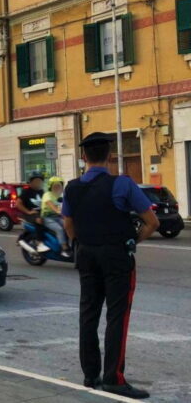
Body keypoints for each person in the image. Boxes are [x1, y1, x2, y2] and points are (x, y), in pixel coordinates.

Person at [62, 132, 159, 399]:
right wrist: (131, 240)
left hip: (86, 255)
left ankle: (90, 375)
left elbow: (68, 225)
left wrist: (81, 244)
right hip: (116, 256)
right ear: (110, 157)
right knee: (117, 316)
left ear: (83, 158)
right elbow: (152, 222)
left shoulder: (71, 187)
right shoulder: (123, 185)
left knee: (88, 313)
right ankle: (113, 378)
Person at [17, 171, 49, 252]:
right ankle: (39, 243)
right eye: (36, 181)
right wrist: (28, 212)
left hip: (40, 213)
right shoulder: (26, 192)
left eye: (40, 181)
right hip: (30, 215)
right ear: (31, 182)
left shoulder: (42, 191)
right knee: (39, 220)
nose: (38, 182)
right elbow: (18, 204)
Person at [41, 176, 71, 258]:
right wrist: (57, 210)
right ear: (51, 186)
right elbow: (51, 205)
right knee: (59, 229)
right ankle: (64, 249)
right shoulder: (47, 195)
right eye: (55, 186)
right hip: (47, 218)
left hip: (58, 217)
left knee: (69, 226)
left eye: (59, 186)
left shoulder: (60, 196)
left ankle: (70, 244)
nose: (57, 188)